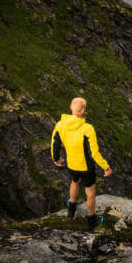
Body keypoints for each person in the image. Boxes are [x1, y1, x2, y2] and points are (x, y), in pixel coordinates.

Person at [51, 97, 113, 229]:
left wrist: (56, 159)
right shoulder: (87, 128)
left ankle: (71, 209)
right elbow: (94, 153)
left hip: (71, 164)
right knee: (90, 193)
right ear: (83, 110)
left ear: (71, 108)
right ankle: (91, 220)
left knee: (74, 182)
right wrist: (106, 167)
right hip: (86, 167)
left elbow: (55, 144)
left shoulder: (60, 124)